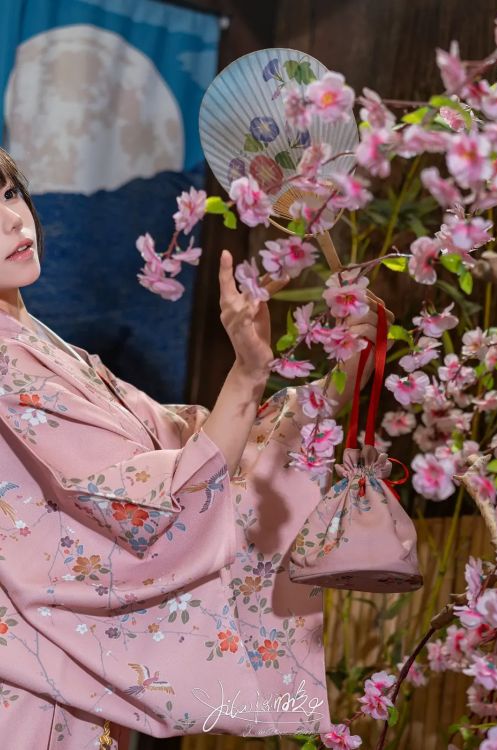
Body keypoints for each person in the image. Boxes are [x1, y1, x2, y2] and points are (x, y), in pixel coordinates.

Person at [0, 147, 393, 749]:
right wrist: (247, 375)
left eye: (8, 194)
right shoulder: (9, 368)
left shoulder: (42, 345)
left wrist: (329, 389)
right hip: (31, 699)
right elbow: (150, 503)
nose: (12, 220)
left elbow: (194, 449)